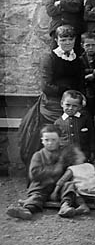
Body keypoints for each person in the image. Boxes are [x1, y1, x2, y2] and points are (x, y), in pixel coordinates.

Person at [19, 25, 85, 167]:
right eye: (63, 39)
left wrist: (80, 96)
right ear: (57, 40)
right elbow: (46, 86)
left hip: (73, 100)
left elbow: (80, 82)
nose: (67, 43)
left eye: (70, 39)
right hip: (53, 102)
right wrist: (66, 92)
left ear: (75, 40)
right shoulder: (50, 58)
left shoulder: (78, 59)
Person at [6, 125, 74, 220]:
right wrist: (55, 170)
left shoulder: (64, 154)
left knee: (69, 187)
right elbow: (35, 173)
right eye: (47, 140)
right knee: (36, 196)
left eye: (53, 140)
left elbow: (71, 169)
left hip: (59, 186)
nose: (50, 143)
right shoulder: (38, 155)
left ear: (59, 140)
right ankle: (27, 210)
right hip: (42, 185)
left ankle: (65, 206)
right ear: (42, 140)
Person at [53, 90, 95, 162]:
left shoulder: (85, 119)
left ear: (80, 107)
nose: (70, 108)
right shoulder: (58, 123)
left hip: (83, 155)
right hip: (65, 156)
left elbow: (91, 136)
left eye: (74, 106)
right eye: (67, 105)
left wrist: (92, 151)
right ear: (62, 104)